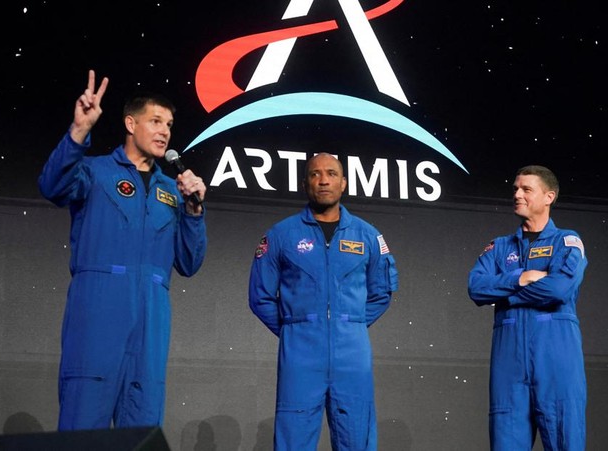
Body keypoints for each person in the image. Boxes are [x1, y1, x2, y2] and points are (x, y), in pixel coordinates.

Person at [38, 70, 208, 430]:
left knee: (143, 428)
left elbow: (190, 263)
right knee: (84, 426)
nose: (165, 131)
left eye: (170, 124)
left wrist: (193, 210)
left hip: (151, 319)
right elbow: (51, 186)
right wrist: (79, 130)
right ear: (130, 123)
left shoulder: (171, 190)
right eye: (155, 121)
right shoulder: (95, 171)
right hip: (99, 312)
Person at [248, 152, 398, 450]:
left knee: (357, 438)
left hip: (352, 356)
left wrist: (349, 323)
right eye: (315, 174)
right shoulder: (281, 234)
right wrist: (296, 328)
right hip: (300, 355)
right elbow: (260, 296)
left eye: (331, 173)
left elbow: (382, 292)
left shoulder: (367, 236)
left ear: (343, 183)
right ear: (305, 183)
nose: (324, 180)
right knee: (293, 439)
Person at [467, 165, 588, 451]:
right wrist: (520, 278)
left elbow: (559, 289)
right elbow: (476, 288)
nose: (517, 194)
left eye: (526, 189)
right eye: (515, 189)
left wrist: (505, 294)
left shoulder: (567, 241)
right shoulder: (498, 247)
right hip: (509, 365)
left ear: (549, 196)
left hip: (556, 360)